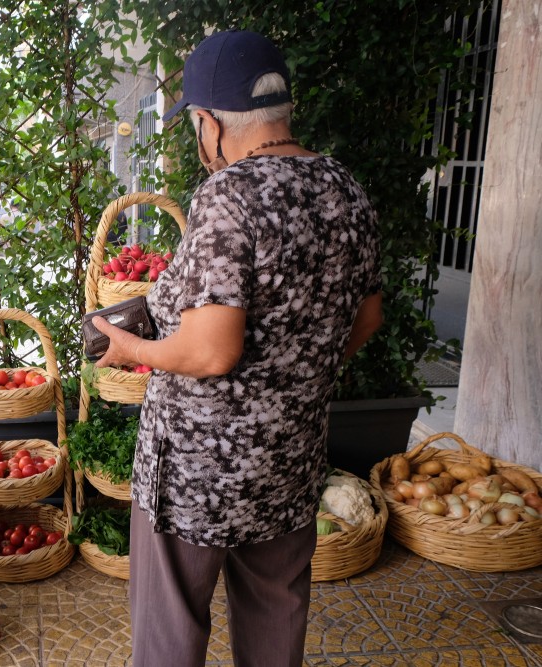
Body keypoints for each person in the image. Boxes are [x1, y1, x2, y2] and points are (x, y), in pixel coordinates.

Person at [91, 30, 383, 667]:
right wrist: (297, 371)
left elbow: (210, 351)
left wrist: (129, 346)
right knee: (276, 618)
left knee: (171, 627)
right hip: (290, 458)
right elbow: (367, 315)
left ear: (208, 122)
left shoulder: (229, 195)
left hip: (198, 470)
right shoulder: (344, 188)